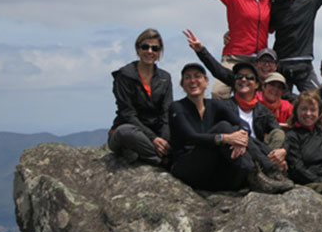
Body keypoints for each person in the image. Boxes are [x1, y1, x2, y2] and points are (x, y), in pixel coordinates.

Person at [169, 62, 291, 193]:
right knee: (223, 126)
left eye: (197, 76)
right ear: (182, 84)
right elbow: (191, 137)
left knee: (236, 131)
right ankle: (257, 173)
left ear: (206, 81)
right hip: (188, 166)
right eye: (187, 77)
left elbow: (243, 125)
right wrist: (225, 138)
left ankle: (271, 169)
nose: (193, 81)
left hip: (213, 171)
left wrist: (240, 138)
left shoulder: (215, 105)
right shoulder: (177, 107)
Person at [178, 0, 270, 99]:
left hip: (258, 60)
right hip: (234, 56)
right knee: (219, 93)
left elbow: (272, 26)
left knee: (264, 96)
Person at [108, 29, 172, 166]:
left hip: (155, 133)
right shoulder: (124, 75)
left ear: (159, 52)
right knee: (125, 133)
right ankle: (162, 160)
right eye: (145, 47)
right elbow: (127, 114)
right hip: (131, 130)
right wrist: (153, 138)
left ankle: (150, 154)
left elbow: (166, 112)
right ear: (138, 49)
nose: (150, 51)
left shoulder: (165, 78)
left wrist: (164, 140)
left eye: (155, 48)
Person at [227, 61, 290, 176]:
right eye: (239, 77)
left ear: (257, 84)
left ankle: (269, 168)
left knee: (279, 133)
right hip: (234, 154)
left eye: (249, 77)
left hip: (258, 154)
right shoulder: (224, 106)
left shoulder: (262, 110)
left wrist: (283, 151)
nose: (244, 79)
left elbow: (278, 131)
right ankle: (270, 169)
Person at [183, 28, 278, 89]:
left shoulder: (280, 87)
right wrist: (201, 51)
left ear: (276, 66)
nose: (266, 65)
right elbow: (219, 71)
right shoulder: (245, 82)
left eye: (270, 62)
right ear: (256, 64)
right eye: (263, 61)